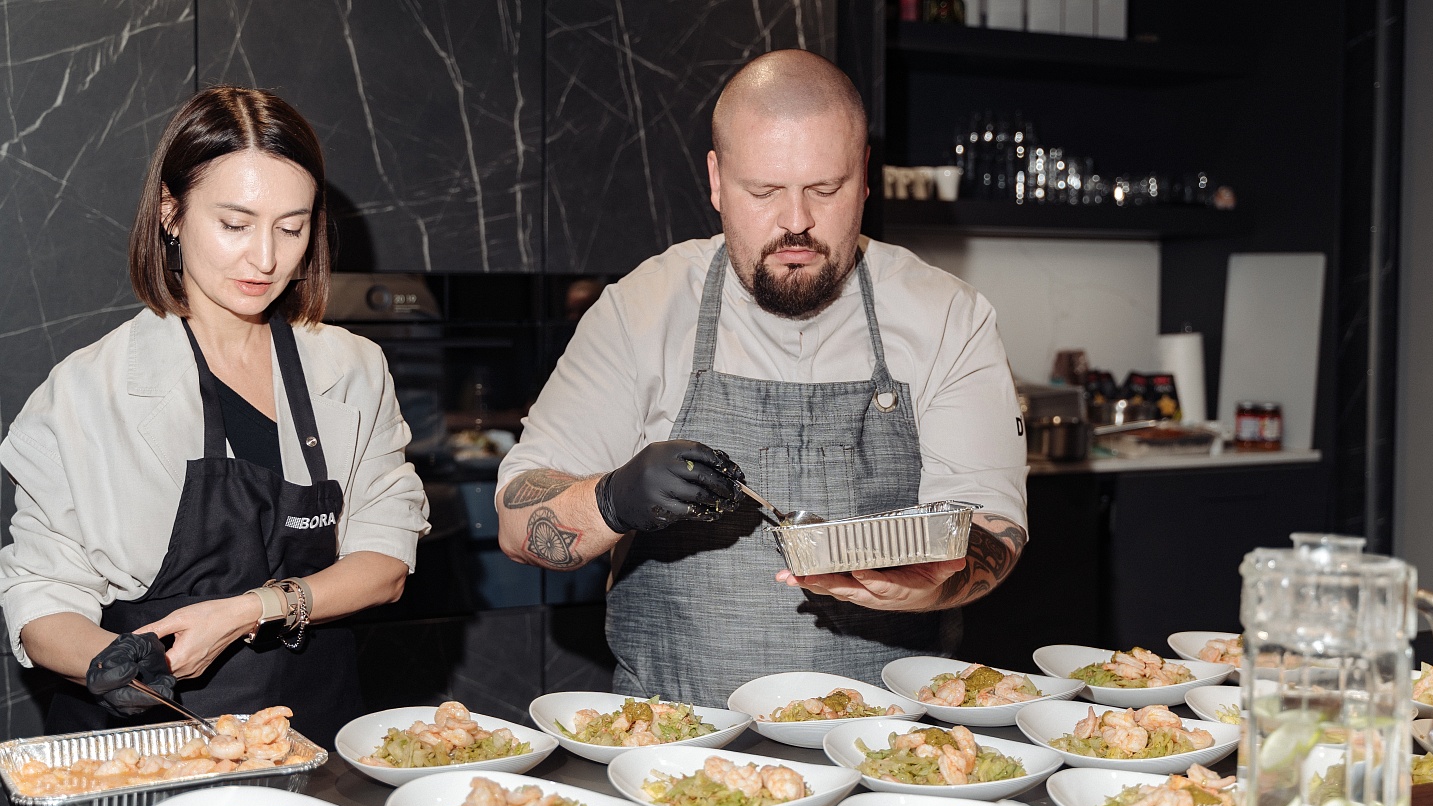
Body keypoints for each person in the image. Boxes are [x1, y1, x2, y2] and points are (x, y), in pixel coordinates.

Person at [496, 51, 1027, 707]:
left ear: (864, 177)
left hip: (897, 740)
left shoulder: (947, 315)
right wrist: (610, 499)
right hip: (671, 740)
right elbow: (518, 522)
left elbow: (994, 530)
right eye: (764, 191)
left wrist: (928, 583)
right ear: (717, 180)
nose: (796, 221)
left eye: (825, 189)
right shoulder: (642, 308)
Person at [0, 87, 429, 748]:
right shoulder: (86, 393)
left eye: (292, 227)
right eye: (235, 224)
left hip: (313, 743)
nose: (266, 258)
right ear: (171, 212)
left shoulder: (352, 369)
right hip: (140, 752)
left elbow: (385, 563)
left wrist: (251, 609)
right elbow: (41, 598)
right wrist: (111, 662)